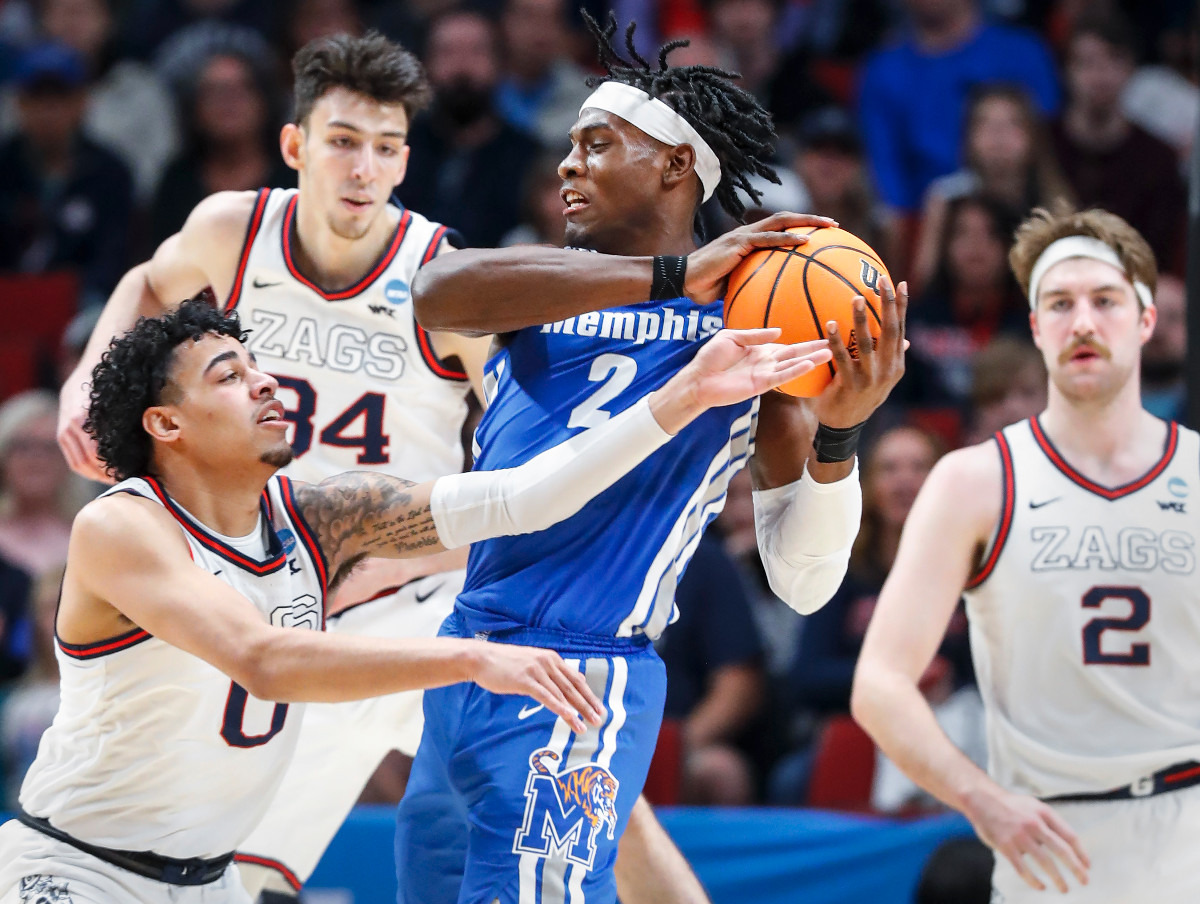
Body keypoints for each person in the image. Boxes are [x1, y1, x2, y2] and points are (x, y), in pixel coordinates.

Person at [54, 30, 753, 904]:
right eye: (343, 142)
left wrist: (422, 554)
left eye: (386, 149)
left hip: (417, 596)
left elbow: (518, 462)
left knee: (585, 785)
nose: (362, 169)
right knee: (240, 865)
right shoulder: (234, 229)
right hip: (291, 602)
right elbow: (150, 287)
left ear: (405, 161)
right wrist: (84, 382)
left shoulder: (444, 277)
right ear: (296, 147)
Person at [3, 296, 820, 904]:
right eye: (229, 376)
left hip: (206, 886)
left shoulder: (316, 515)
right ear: (166, 425)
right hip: (74, 870)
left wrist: (685, 398)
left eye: (257, 365)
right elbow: (265, 659)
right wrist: (470, 657)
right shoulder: (122, 528)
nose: (265, 384)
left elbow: (521, 499)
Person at [399, 14, 906, 903]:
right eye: (569, 146)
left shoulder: (754, 332)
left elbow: (805, 583)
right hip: (465, 652)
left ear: (675, 166)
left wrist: (839, 435)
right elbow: (437, 292)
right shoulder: (547, 283)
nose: (567, 165)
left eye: (596, 145)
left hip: (582, 667)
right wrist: (670, 276)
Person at [852, 205, 1200, 901]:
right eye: (1060, 304)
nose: (1083, 323)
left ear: (1146, 320)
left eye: (1105, 302)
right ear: (1036, 328)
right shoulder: (974, 481)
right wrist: (981, 800)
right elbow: (879, 687)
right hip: (1044, 843)